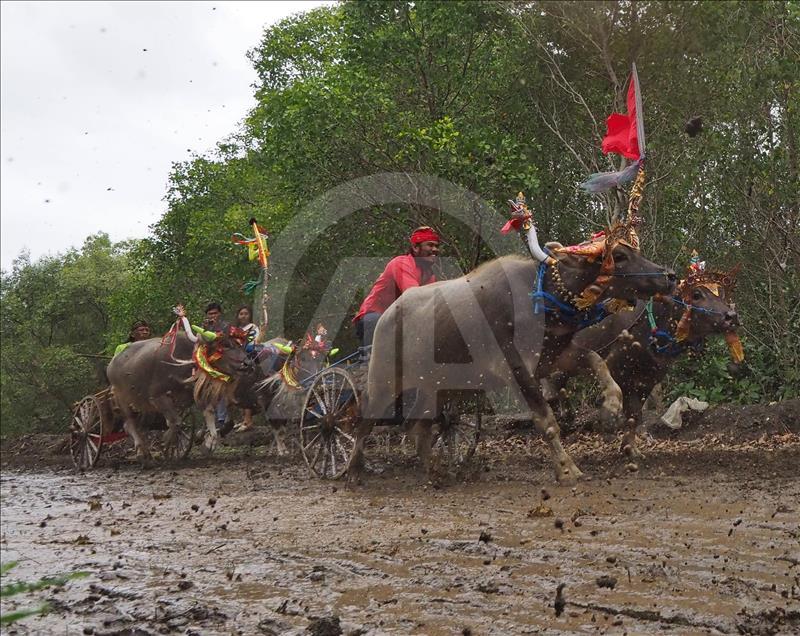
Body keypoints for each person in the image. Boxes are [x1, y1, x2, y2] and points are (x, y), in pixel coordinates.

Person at [353, 226, 441, 356]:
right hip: (372, 318)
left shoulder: (429, 274)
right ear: (416, 248)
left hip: (395, 320)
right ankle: (365, 369)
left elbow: (430, 305)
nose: (435, 249)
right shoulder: (401, 263)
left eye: (436, 246)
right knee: (377, 327)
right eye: (430, 245)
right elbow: (414, 297)